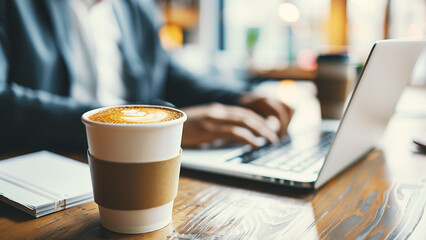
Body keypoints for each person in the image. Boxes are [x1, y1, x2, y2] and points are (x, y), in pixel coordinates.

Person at [0, 0, 293, 154]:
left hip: (142, 163)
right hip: (50, 165)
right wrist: (154, 127)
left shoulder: (134, 5)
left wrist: (240, 97)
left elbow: (165, 72)